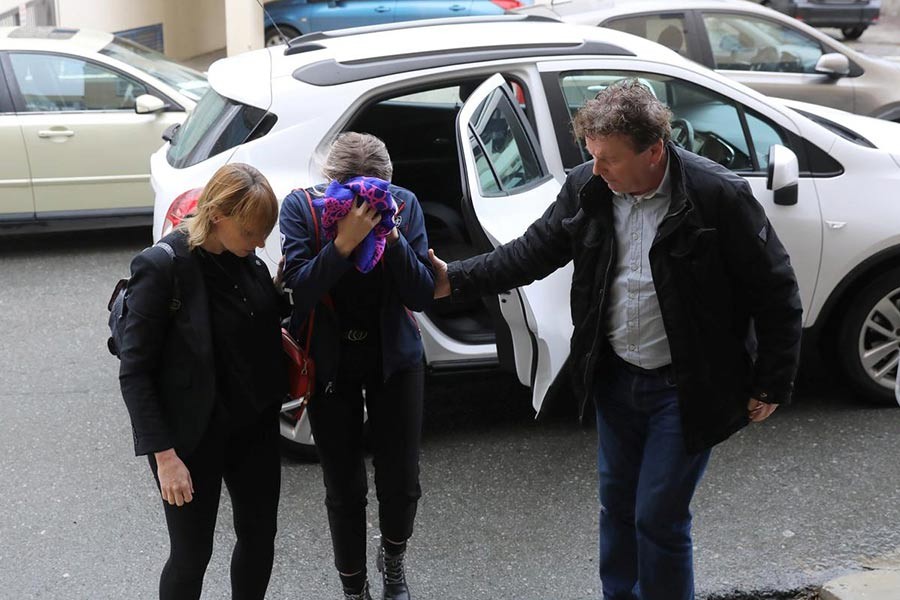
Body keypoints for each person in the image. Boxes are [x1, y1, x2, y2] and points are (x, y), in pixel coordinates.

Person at [429, 79, 803, 599]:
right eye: (593, 157)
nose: (598, 171)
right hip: (615, 378)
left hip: (687, 387)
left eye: (609, 160)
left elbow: (776, 289)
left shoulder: (716, 194)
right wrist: (456, 278)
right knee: (618, 508)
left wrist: (771, 382)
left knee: (658, 518)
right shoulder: (589, 185)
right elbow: (534, 251)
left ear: (654, 151)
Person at [118, 163, 286, 600]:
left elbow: (255, 319)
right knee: (192, 555)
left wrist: (279, 289)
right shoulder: (164, 266)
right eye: (252, 232)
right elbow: (135, 371)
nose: (261, 243)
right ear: (217, 216)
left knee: (259, 537)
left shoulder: (245, 258)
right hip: (190, 439)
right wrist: (165, 458)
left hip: (253, 429)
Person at [280, 132, 435, 600]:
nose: (363, 203)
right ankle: (354, 588)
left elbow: (421, 294)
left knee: (401, 479)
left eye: (375, 193)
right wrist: (343, 243)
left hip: (395, 358)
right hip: (331, 363)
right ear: (330, 184)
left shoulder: (403, 205)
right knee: (343, 487)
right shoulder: (301, 208)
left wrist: (386, 232)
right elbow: (299, 294)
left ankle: (393, 564)